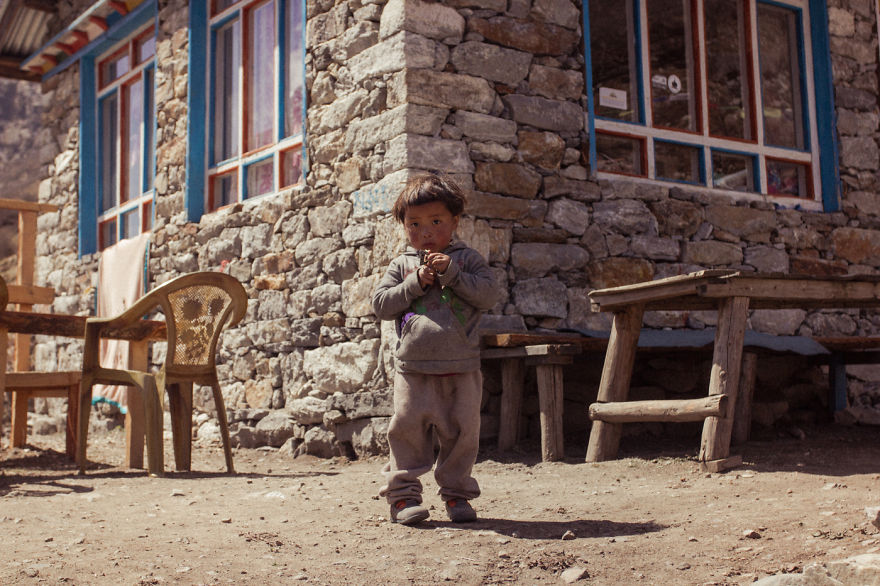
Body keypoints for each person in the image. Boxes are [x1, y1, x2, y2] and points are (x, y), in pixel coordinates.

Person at [372, 172, 499, 525]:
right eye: (414, 224)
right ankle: (402, 498)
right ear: (404, 226)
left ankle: (457, 497)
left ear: (455, 222)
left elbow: (488, 295)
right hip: (413, 371)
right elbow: (381, 306)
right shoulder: (401, 265)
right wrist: (414, 283)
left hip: (463, 369)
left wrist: (453, 275)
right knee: (406, 431)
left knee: (462, 435)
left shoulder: (468, 260)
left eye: (436, 221)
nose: (425, 232)